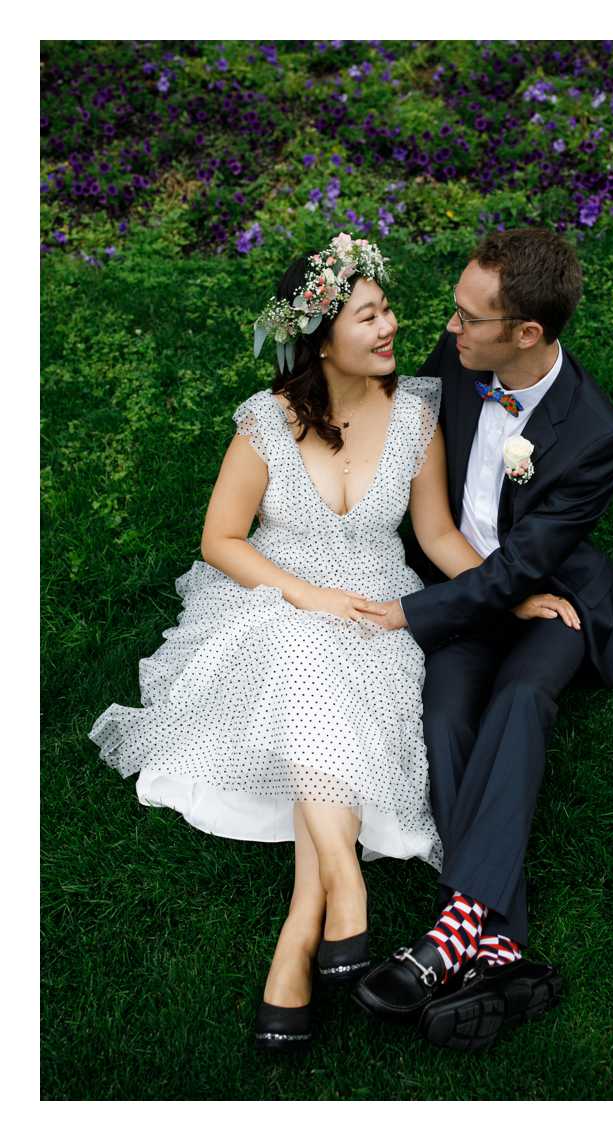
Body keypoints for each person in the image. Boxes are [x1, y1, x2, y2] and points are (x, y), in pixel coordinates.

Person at [89, 233, 567, 1053]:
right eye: (368, 315)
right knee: (306, 653)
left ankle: (298, 941)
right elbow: (222, 540)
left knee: (333, 702)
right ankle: (342, 892)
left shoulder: (417, 418)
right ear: (320, 336)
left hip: (378, 611)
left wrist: (513, 593)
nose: (391, 327)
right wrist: (307, 595)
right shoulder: (266, 422)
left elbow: (439, 535)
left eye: (385, 309)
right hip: (274, 601)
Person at [350, 228, 613, 1051]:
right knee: (444, 715)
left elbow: (526, 572)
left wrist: (411, 614)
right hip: (461, 582)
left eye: (472, 319)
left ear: (527, 336)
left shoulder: (596, 436)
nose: (448, 328)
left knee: (520, 698)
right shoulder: (450, 367)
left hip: (553, 599)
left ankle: (446, 935)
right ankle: (496, 944)